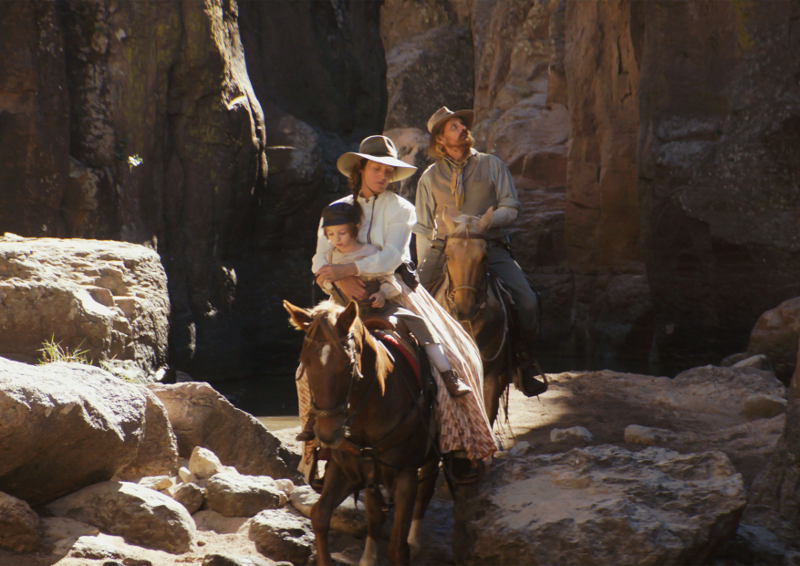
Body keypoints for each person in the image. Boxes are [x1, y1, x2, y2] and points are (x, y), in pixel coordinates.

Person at [295, 135, 496, 479]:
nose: (384, 177)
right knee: (307, 368)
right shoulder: (335, 209)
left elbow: (391, 257)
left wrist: (349, 269)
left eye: (389, 172)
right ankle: (315, 444)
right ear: (361, 169)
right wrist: (336, 281)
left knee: (453, 352)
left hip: (393, 290)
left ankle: (457, 445)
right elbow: (318, 258)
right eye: (378, 169)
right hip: (343, 298)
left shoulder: (401, 208)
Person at [297, 200, 471, 441]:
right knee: (315, 359)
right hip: (343, 312)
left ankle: (447, 373)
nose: (337, 239)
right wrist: (334, 282)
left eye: (342, 233)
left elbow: (392, 281)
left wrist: (381, 294)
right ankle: (313, 416)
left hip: (378, 308)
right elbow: (321, 279)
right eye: (331, 235)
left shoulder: (370, 252)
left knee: (417, 322)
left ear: (354, 230)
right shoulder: (330, 258)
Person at [414, 106, 547, 397]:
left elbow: (511, 208)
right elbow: (423, 229)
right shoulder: (429, 177)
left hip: (490, 246)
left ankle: (524, 364)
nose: (463, 128)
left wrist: (486, 222)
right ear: (440, 140)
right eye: (453, 127)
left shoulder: (492, 165)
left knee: (526, 300)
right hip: (443, 249)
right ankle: (416, 375)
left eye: (462, 124)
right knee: (413, 306)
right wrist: (424, 266)